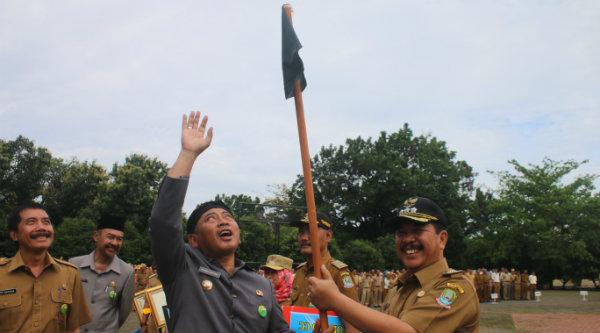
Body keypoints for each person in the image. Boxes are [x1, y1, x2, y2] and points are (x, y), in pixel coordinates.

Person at [148, 112, 292, 332]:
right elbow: (163, 223)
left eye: (228, 217)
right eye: (211, 219)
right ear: (194, 240)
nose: (223, 222)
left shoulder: (262, 285)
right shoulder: (182, 269)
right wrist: (188, 154)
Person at [307, 197, 480, 333]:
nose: (407, 239)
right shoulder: (399, 288)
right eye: (401, 233)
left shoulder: (456, 288)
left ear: (442, 239)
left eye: (417, 231)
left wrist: (335, 299)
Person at [0, 203, 92, 333]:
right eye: (31, 222)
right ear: (14, 235)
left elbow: (73, 327)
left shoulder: (70, 274)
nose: (41, 227)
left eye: (46, 222)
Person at [288, 211, 360, 332]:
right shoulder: (300, 271)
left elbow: (354, 324)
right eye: (301, 232)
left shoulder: (338, 273)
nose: (304, 237)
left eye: (311, 231)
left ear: (328, 236)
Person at [69, 214, 135, 333]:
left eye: (119, 239)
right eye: (110, 237)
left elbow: (124, 311)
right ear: (96, 236)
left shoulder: (127, 272)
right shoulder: (74, 265)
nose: (115, 243)